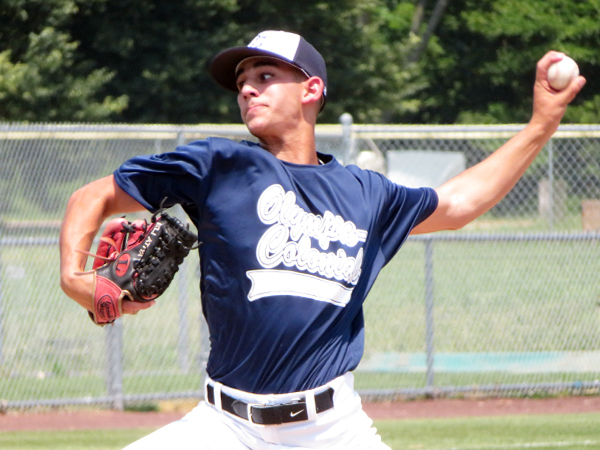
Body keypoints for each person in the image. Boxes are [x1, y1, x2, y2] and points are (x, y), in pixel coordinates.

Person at [59, 30, 585, 449]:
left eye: (265, 76)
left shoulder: (366, 194)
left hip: (331, 430)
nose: (246, 88)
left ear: (311, 90)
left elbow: (459, 204)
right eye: (242, 81)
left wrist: (542, 122)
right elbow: (92, 197)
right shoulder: (219, 165)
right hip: (225, 428)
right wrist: (74, 277)